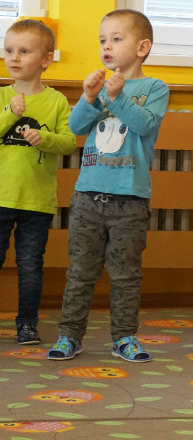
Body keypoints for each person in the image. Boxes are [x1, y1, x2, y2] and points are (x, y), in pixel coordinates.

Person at [47, 9, 170, 362]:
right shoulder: (99, 87)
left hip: (130, 201)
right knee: (80, 272)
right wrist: (88, 97)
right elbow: (76, 127)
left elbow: (144, 125)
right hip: (87, 197)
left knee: (125, 274)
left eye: (117, 39)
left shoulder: (155, 88)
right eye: (103, 40)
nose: (107, 46)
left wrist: (117, 98)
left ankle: (124, 338)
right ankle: (69, 336)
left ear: (142, 47)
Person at [1, 19, 77, 345]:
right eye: (9, 50)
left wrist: (43, 138)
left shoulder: (56, 101)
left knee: (30, 265)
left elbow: (69, 143)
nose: (14, 57)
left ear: (46, 59)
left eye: (24, 51)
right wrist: (10, 113)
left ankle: (27, 325)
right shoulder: (2, 96)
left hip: (37, 202)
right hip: (1, 197)